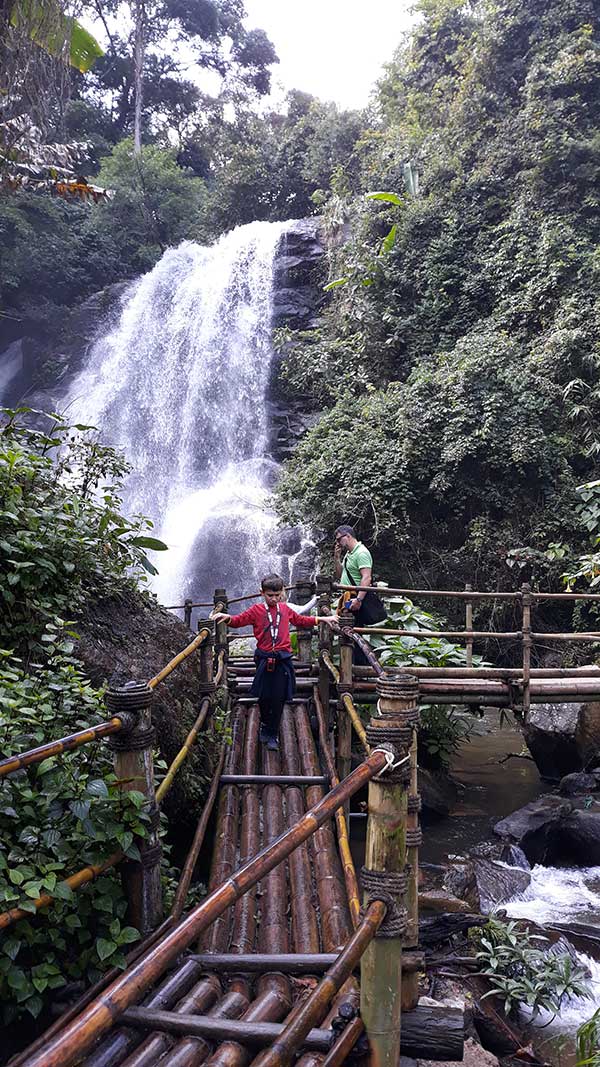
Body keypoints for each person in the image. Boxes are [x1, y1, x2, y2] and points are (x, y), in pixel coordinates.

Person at [213, 573, 337, 750]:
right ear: (261, 593)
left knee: (279, 697)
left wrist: (323, 619)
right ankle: (265, 725)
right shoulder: (256, 611)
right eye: (270, 595)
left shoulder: (285, 609)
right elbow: (239, 621)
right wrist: (227, 618)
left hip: (283, 659)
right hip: (264, 658)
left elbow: (301, 620)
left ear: (282, 592)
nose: (274, 599)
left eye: (277, 595)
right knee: (264, 696)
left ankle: (272, 733)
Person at [334, 526, 386, 662]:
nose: (338, 543)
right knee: (351, 632)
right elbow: (341, 575)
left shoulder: (361, 553)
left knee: (355, 633)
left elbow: (366, 578)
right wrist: (337, 558)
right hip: (348, 596)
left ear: (348, 536)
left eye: (339, 539)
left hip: (356, 597)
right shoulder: (349, 554)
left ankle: (360, 668)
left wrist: (359, 599)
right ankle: (353, 667)